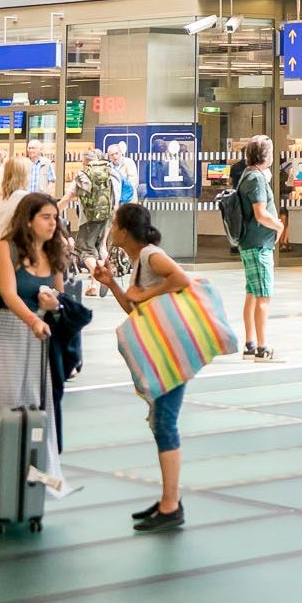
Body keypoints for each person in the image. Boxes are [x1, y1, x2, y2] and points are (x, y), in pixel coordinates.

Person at [0, 193, 69, 516]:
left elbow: (60, 296)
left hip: (40, 337)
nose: (53, 223)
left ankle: (30, 474)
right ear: (29, 219)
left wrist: (54, 306)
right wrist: (34, 317)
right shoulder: (6, 247)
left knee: (37, 403)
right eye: (46, 217)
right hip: (10, 330)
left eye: (54, 217)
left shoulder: (55, 250)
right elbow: (7, 292)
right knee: (0, 404)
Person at [92, 204, 193, 532]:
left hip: (171, 352)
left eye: (115, 224)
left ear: (123, 230)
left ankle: (171, 505)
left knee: (165, 423)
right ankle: (168, 499)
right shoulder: (139, 261)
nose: (111, 230)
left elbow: (181, 279)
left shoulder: (150, 255)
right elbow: (134, 309)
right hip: (159, 351)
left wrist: (147, 291)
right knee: (160, 423)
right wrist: (114, 284)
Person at [236, 136, 285, 362]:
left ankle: (250, 343)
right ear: (264, 155)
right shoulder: (256, 179)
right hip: (259, 246)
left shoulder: (248, 175)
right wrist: (279, 225)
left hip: (250, 244)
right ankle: (263, 349)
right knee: (263, 296)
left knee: (252, 294)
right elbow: (261, 213)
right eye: (271, 152)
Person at [58, 149, 116, 275]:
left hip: (88, 219)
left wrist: (55, 210)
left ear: (85, 161)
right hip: (106, 216)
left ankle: (99, 274)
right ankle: (95, 283)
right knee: (100, 247)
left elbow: (68, 197)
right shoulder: (109, 172)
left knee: (85, 251)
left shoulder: (83, 175)